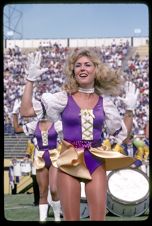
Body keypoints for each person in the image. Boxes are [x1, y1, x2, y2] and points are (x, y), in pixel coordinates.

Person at [20, 48, 139, 221]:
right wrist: (30, 80)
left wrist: (129, 110)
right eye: (78, 65)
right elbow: (26, 111)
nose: (82, 68)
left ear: (96, 70)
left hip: (95, 160)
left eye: (87, 65)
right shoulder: (62, 98)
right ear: (73, 71)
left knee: (98, 218)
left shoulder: (105, 102)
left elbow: (123, 135)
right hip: (69, 159)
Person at [12, 98, 61, 222]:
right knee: (42, 191)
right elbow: (17, 129)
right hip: (40, 158)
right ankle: (42, 219)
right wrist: (14, 113)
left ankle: (57, 218)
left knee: (54, 189)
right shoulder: (35, 124)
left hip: (54, 157)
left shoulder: (57, 123)